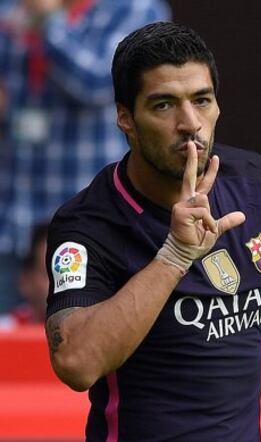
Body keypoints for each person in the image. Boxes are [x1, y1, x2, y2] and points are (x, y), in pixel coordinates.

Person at [45, 22, 261, 441]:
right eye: (164, 105)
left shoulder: (255, 183)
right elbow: (76, 364)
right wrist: (173, 256)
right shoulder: (87, 224)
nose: (190, 123)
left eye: (201, 100)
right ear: (125, 118)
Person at [0, 0, 170, 313]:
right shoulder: (10, 8)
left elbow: (99, 84)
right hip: (11, 223)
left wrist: (49, 20)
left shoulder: (135, 10)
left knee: (85, 348)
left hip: (87, 228)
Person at [0, 222, 49, 328]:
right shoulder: (5, 331)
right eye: (51, 275)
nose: (64, 284)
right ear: (26, 282)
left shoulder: (93, 337)